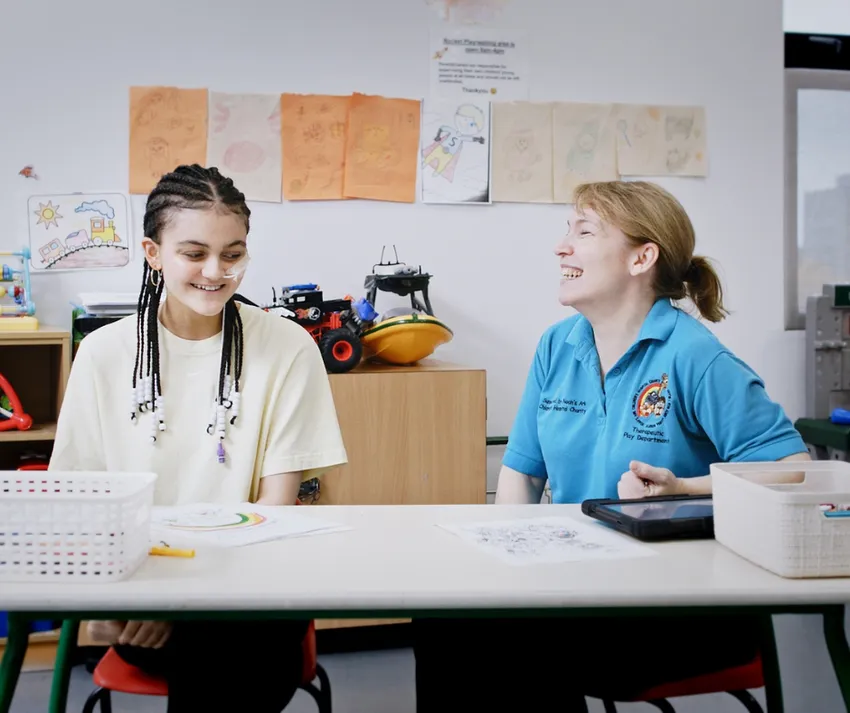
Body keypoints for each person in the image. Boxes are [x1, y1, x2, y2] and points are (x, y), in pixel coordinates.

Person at [411, 180, 809, 712]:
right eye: (567, 230)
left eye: (585, 232)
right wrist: (507, 563)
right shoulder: (557, 344)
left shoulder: (695, 357)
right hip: (577, 586)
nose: (561, 247)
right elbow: (523, 472)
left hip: (677, 608)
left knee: (510, 644)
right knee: (446, 618)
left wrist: (684, 488)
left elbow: (794, 470)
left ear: (642, 258)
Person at [49, 164, 348, 713]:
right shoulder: (103, 353)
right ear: (153, 252)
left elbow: (276, 510)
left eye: (233, 254)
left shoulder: (287, 347)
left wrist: (184, 602)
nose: (216, 272)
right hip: (140, 596)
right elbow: (82, 503)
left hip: (251, 597)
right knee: (210, 653)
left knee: (223, 645)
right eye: (194, 253)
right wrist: (145, 600)